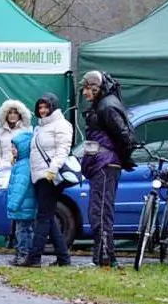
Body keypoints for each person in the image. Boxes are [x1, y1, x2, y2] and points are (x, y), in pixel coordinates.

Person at [81, 71, 136, 268]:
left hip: (105, 164)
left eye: (87, 88)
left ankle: (106, 258)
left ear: (96, 87)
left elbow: (125, 136)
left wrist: (123, 156)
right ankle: (101, 257)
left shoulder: (107, 106)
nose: (85, 93)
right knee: (98, 210)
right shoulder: (105, 104)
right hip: (102, 164)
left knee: (101, 211)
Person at [20, 93, 72, 267]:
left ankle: (34, 257)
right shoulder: (40, 127)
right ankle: (64, 258)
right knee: (48, 217)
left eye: (46, 107)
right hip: (39, 176)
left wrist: (52, 170)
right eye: (40, 107)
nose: (42, 110)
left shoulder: (62, 125)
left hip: (49, 176)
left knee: (43, 217)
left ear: (53, 107)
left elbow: (63, 150)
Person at [6, 131, 36, 265]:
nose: (12, 149)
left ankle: (23, 255)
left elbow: (20, 188)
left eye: (15, 147)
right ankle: (22, 254)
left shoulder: (23, 166)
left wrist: (13, 204)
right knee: (24, 230)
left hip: (23, 206)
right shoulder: (22, 163)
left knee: (22, 232)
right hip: (25, 206)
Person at [0, 100, 32, 169]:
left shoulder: (26, 131)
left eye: (15, 113)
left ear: (20, 115)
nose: (12, 115)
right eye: (10, 113)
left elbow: (30, 153)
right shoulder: (0, 132)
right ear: (5, 115)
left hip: (21, 169)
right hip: (3, 170)